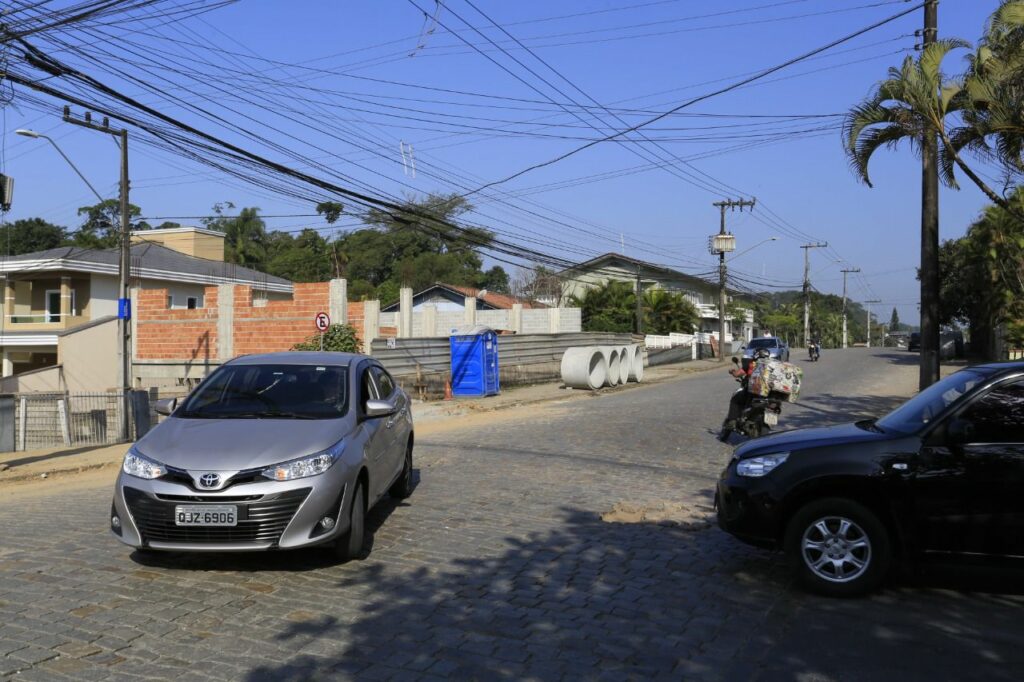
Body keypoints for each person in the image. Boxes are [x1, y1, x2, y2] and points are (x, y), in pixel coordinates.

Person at [719, 358, 754, 442]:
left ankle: (732, 421)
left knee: (735, 399)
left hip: (750, 392)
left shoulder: (752, 363)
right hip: (768, 396)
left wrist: (733, 372)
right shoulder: (772, 365)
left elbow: (738, 374)